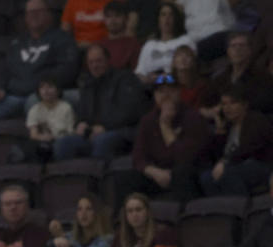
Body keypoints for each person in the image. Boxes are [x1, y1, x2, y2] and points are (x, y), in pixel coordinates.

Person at [114, 73, 209, 207]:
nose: (165, 95)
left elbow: (185, 157)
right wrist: (154, 171)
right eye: (160, 91)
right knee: (124, 179)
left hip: (189, 173)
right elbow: (138, 156)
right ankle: (122, 224)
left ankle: (184, 222)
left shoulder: (193, 117)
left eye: (170, 90)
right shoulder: (148, 120)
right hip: (159, 173)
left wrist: (166, 127)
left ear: (178, 92)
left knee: (182, 173)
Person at [0, 0, 80, 123]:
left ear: (49, 15)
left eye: (38, 11)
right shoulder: (17, 43)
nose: (33, 15)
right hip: (15, 96)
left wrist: (40, 86)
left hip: (44, 94)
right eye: (30, 13)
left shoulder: (62, 39)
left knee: (33, 105)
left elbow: (67, 70)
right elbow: (6, 71)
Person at [55, 45, 146, 161]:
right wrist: (80, 124)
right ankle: (70, 178)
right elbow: (81, 113)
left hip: (121, 132)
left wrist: (105, 127)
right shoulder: (87, 84)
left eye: (98, 61)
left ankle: (99, 178)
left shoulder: (125, 79)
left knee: (102, 141)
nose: (95, 66)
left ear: (108, 60)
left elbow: (130, 113)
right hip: (92, 133)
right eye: (91, 62)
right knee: (63, 144)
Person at [199, 87, 273, 197]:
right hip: (232, 164)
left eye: (233, 103)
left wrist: (225, 162)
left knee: (229, 174)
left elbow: (250, 147)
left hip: (259, 163)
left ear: (244, 105)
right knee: (206, 177)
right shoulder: (228, 126)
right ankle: (218, 210)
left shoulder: (256, 120)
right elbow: (216, 154)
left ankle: (240, 210)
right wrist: (219, 132)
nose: (227, 108)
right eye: (224, 104)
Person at [135, 2, 191, 84]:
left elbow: (188, 72)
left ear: (176, 18)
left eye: (171, 15)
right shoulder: (149, 45)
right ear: (158, 19)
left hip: (177, 85)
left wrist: (162, 78)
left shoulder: (185, 41)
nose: (167, 18)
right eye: (163, 15)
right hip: (152, 87)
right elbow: (139, 73)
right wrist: (149, 79)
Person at [99, 1, 141, 70]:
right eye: (109, 16)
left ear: (126, 19)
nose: (113, 20)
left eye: (117, 16)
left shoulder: (133, 45)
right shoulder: (99, 45)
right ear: (104, 19)